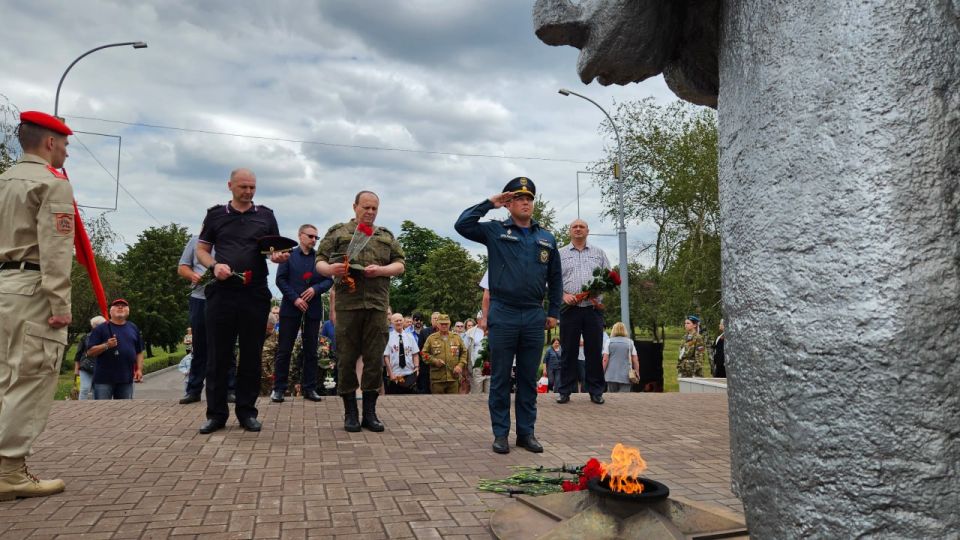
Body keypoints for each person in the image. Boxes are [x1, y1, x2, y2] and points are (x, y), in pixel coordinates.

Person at [455, 176, 562, 454]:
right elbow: (462, 224)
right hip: (504, 311)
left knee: (528, 378)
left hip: (533, 314)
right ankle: (500, 434)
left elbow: (556, 277)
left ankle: (526, 433)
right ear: (508, 203)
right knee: (501, 377)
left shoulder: (546, 238)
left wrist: (553, 312)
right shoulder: (494, 230)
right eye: (518, 198)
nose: (525, 203)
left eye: (529, 199)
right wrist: (489, 203)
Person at [0, 111, 75, 500]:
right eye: (64, 144)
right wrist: (60, 304)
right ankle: (10, 469)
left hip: (3, 286)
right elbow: (57, 250)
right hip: (33, 290)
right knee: (31, 378)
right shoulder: (52, 184)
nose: (65, 152)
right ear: (49, 142)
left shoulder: (3, 180)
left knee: (4, 379)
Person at [194, 168, 290, 434]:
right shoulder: (215, 215)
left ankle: (247, 412)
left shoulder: (266, 216)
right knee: (218, 356)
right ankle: (216, 414)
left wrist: (279, 257)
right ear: (230, 186)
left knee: (251, 355)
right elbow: (201, 250)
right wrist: (214, 266)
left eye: (252, 187)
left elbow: (275, 250)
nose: (248, 192)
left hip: (255, 293)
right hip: (222, 293)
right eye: (243, 187)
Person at [316, 190, 405, 432]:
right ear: (355, 206)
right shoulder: (338, 232)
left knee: (374, 359)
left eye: (374, 208)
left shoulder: (384, 235)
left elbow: (400, 264)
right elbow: (320, 261)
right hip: (348, 305)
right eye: (366, 207)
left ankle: (370, 412)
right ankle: (350, 412)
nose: (370, 212)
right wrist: (331, 269)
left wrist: (382, 271)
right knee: (345, 358)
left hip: (376, 305)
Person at [271, 224, 333, 403]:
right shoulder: (288, 255)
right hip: (291, 309)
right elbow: (280, 280)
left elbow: (328, 280)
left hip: (313, 310)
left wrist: (315, 289)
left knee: (311, 350)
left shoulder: (320, 259)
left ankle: (310, 388)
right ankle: (279, 389)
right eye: (311, 236)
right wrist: (295, 299)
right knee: (284, 350)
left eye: (316, 237)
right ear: (300, 236)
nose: (314, 240)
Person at [557, 219, 611, 405]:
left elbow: (609, 278)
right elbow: (551, 281)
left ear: (588, 231)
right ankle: (564, 390)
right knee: (568, 351)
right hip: (569, 310)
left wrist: (599, 298)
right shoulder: (560, 254)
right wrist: (563, 295)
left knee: (594, 351)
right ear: (569, 231)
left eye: (581, 227)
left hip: (592, 310)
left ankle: (596, 391)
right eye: (574, 227)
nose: (578, 229)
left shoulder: (599, 253)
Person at [177, 234, 236, 405]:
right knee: (200, 346)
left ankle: (230, 390)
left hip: (225, 298)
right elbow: (182, 267)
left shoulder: (230, 240)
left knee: (227, 345)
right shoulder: (195, 241)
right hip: (200, 299)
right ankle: (193, 390)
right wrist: (193, 276)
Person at [84, 299, 144, 399]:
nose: (120, 307)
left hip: (126, 379)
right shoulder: (100, 329)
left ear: (128, 311)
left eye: (123, 306)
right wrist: (106, 345)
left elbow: (139, 352)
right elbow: (90, 352)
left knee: (124, 411)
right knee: (102, 411)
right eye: (117, 305)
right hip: (103, 380)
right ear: (110, 311)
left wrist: (139, 370)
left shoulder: (133, 327)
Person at [421, 314, 468, 394]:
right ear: (437, 324)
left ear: (449, 324)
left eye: (446, 324)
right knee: (437, 404)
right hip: (437, 379)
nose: (444, 326)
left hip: (453, 377)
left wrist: (460, 365)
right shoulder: (431, 338)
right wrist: (434, 361)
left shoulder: (456, 337)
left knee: (453, 403)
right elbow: (423, 353)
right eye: (442, 324)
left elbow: (464, 353)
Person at [383, 312, 420, 394]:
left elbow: (415, 354)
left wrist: (417, 368)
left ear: (403, 321)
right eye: (396, 321)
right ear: (392, 323)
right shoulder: (388, 338)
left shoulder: (410, 336)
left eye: (400, 320)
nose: (399, 322)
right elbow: (386, 358)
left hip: (410, 375)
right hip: (395, 376)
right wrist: (390, 373)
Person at [73, 315, 107, 400]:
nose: (98, 327)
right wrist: (76, 369)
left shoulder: (107, 338)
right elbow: (78, 354)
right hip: (86, 367)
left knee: (97, 390)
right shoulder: (85, 338)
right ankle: (81, 407)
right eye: (96, 325)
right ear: (92, 326)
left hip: (101, 368)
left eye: (100, 325)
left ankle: (95, 409)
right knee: (85, 389)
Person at [603, 322, 639, 392]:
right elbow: (635, 360)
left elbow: (605, 359)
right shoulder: (630, 342)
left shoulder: (608, 342)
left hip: (611, 374)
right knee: (624, 398)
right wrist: (637, 372)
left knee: (612, 397)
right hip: (626, 375)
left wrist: (602, 372)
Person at [415, 311, 440, 394]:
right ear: (431, 320)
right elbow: (420, 350)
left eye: (438, 318)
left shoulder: (446, 333)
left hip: (440, 366)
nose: (436, 320)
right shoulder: (424, 332)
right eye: (434, 318)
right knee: (425, 390)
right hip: (426, 366)